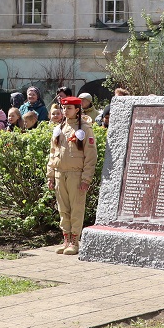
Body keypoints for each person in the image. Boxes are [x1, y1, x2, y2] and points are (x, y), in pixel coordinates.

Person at [47, 96, 98, 256]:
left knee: (76, 208)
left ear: (77, 110)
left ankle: (75, 241)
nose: (65, 111)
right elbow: (53, 153)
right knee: (63, 209)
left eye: (69, 108)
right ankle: (66, 239)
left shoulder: (85, 129)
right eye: (64, 108)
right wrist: (50, 175)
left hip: (76, 174)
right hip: (60, 173)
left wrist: (86, 179)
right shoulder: (59, 128)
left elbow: (91, 156)